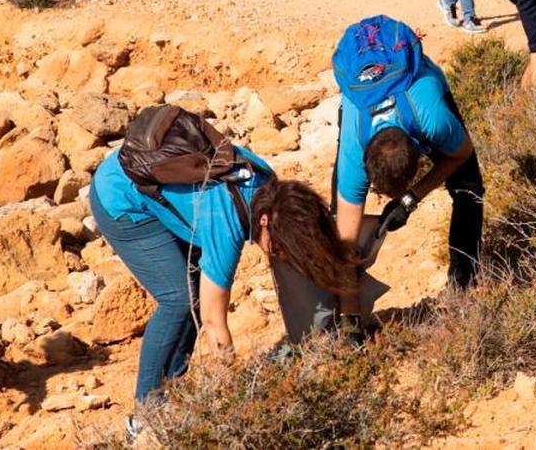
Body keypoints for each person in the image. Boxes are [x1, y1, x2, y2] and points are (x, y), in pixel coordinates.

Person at [89, 108, 355, 415]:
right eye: (279, 248)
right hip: (120, 201)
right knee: (180, 299)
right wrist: (234, 396)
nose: (278, 256)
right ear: (264, 221)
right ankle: (146, 413)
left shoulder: (268, 180)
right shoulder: (225, 227)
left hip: (165, 194)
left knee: (193, 297)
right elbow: (215, 323)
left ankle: (172, 386)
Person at [331, 18, 484, 300]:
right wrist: (350, 320)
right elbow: (347, 243)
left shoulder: (433, 120)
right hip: (360, 95)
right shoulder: (354, 150)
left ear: (420, 156)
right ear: (367, 168)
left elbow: (460, 153)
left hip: (418, 86)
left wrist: (410, 199)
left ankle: (463, 282)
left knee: (469, 189)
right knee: (342, 219)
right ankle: (339, 302)